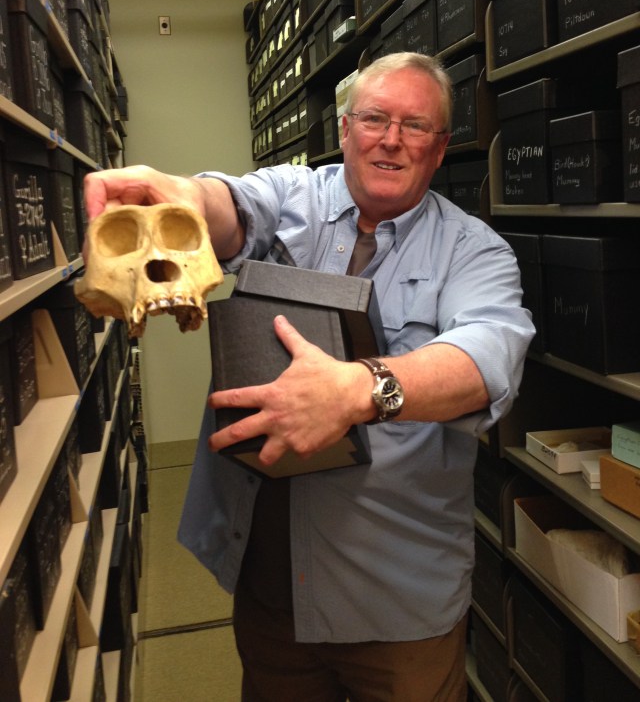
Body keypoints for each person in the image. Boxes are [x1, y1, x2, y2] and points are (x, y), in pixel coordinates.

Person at [84, 52, 535, 701]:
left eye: (416, 126)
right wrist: (184, 196)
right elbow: (234, 206)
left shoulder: (475, 250)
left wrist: (359, 389)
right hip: (273, 587)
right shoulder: (298, 193)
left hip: (397, 601)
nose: (391, 138)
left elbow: (487, 357)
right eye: (375, 118)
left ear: (439, 151)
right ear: (346, 129)